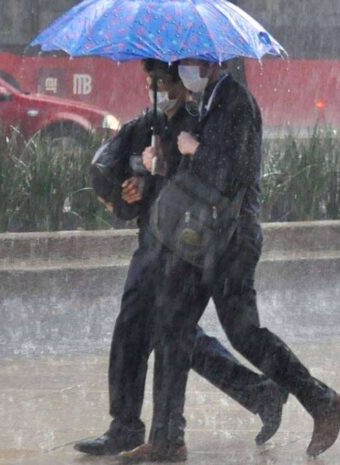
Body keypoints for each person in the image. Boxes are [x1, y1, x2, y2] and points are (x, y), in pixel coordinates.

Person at [118, 59, 340, 463]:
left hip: (232, 240)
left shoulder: (236, 103)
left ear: (210, 63)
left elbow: (231, 172)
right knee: (172, 327)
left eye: (188, 64)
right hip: (206, 238)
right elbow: (200, 176)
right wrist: (163, 159)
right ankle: (167, 439)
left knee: (243, 333)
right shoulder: (211, 102)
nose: (183, 72)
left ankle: (320, 400)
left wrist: (193, 148)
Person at [76, 60, 287, 460]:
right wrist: (131, 189)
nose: (157, 89)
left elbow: (211, 179)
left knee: (174, 335)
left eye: (163, 81)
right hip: (150, 245)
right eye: (150, 82)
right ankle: (126, 425)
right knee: (134, 328)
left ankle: (252, 395)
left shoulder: (202, 120)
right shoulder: (145, 125)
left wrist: (164, 167)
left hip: (184, 246)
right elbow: (116, 180)